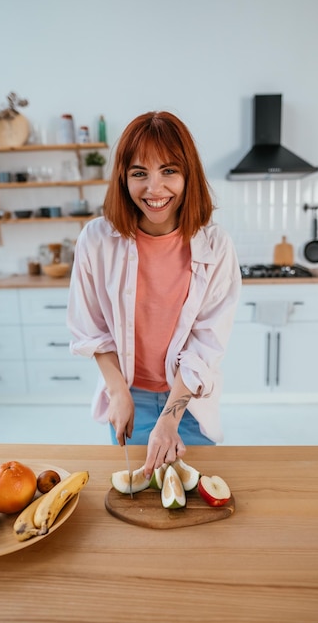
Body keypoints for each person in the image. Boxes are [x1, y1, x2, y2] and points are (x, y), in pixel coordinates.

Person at [67, 110, 241, 480]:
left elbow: (206, 344)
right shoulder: (96, 240)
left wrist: (171, 416)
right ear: (123, 178)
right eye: (139, 173)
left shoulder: (216, 245)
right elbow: (91, 328)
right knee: (134, 499)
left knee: (193, 497)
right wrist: (117, 391)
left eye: (169, 171)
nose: (155, 188)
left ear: (188, 175)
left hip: (190, 399)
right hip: (128, 394)